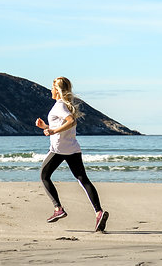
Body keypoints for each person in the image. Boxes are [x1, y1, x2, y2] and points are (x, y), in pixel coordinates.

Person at [35, 76, 109, 232]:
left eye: (52, 87)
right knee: (83, 179)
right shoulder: (65, 106)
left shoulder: (59, 106)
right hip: (73, 148)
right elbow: (63, 124)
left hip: (59, 148)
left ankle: (58, 209)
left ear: (58, 90)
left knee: (44, 175)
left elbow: (71, 122)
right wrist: (47, 126)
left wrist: (53, 131)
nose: (50, 90)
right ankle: (98, 212)